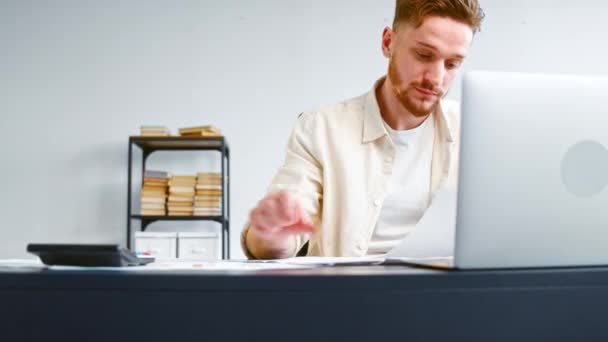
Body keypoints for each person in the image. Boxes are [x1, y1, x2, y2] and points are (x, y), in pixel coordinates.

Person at [242, 0, 484, 259]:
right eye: (424, 55)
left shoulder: (474, 130)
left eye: (452, 64)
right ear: (388, 43)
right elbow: (277, 238)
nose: (436, 78)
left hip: (445, 295)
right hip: (347, 294)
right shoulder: (321, 129)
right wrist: (272, 236)